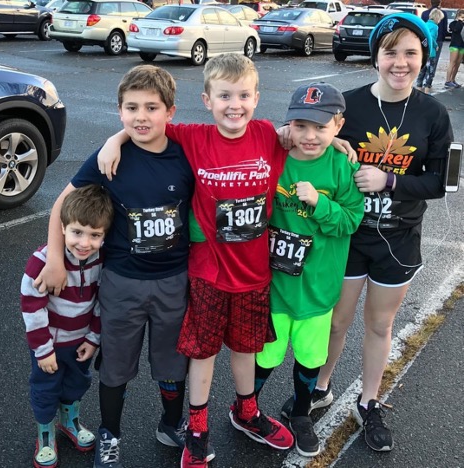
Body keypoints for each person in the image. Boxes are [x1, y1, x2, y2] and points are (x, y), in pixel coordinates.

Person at [97, 53, 298, 468]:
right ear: (207, 99)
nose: (234, 104)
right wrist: (113, 139)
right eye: (224, 96)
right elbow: (148, 124)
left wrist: (339, 141)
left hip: (254, 273)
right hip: (207, 273)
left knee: (246, 350)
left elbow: (311, 137)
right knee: (202, 353)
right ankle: (197, 428)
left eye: (243, 95)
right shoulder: (193, 137)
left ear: (257, 98)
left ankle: (246, 412)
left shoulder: (267, 136)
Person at [301, 13, 454, 453]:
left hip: (399, 238)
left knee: (379, 323)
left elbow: (443, 182)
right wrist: (324, 141)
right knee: (336, 320)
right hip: (346, 235)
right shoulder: (345, 105)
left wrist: (389, 181)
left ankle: (368, 402)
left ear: (424, 56)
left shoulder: (434, 113)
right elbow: (298, 137)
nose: (400, 62)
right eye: (391, 52)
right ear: (376, 56)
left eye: (410, 52)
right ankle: (321, 387)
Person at [34, 65, 196, 468]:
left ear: (170, 112)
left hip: (174, 280)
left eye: (151, 107)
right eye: (131, 108)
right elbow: (60, 206)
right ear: (119, 110)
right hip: (123, 283)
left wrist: (332, 144)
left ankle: (170, 423)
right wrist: (56, 258)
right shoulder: (109, 157)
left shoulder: (186, 152)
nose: (141, 116)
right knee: (116, 366)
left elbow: (239, 143)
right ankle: (110, 432)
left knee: (172, 363)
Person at [253, 83, 364, 458]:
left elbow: (352, 218)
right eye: (300, 125)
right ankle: (247, 406)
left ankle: (301, 413)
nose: (310, 135)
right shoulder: (275, 154)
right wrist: (276, 134)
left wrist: (319, 204)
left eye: (321, 127)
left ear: (338, 125)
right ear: (289, 126)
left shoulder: (340, 165)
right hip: (274, 286)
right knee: (265, 354)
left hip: (317, 288)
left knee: (310, 357)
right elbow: (241, 133)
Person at [21, 184, 114, 468]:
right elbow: (31, 306)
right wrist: (43, 350)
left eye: (95, 235)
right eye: (77, 232)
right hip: (50, 345)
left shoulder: (102, 259)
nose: (84, 243)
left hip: (80, 342)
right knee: (46, 388)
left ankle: (69, 422)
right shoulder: (43, 261)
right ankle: (45, 434)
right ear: (62, 228)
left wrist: (94, 338)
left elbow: (102, 301)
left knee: (76, 383)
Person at [416, 8, 445, 94]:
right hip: (431, 52)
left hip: (423, 52)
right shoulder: (435, 27)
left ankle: (418, 89)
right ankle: (426, 91)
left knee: (422, 71)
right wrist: (436, 46)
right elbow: (431, 37)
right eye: (440, 19)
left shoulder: (425, 24)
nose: (440, 21)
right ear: (437, 18)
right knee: (430, 73)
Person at [421, 0, 448, 88]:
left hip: (425, 42)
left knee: (424, 60)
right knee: (433, 62)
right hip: (437, 41)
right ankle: (428, 82)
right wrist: (441, 38)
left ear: (431, 3)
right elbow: (444, 28)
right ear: (439, 3)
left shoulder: (425, 13)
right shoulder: (442, 14)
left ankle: (420, 81)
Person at [445, 8, 464, 88]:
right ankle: (448, 80)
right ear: (458, 16)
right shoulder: (454, 23)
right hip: (454, 45)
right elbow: (456, 29)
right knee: (452, 62)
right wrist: (459, 21)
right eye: (462, 17)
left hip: (462, 45)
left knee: (458, 64)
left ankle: (453, 79)